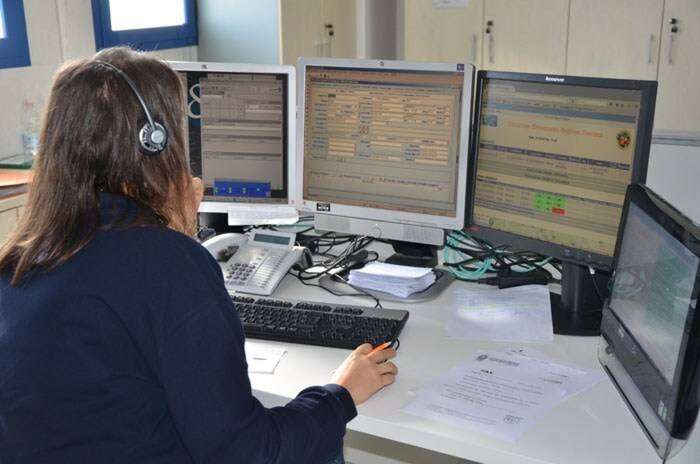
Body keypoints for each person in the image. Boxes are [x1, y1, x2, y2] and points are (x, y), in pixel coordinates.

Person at [0, 47, 398, 464]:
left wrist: (167, 230)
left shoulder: (22, 257)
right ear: (154, 142)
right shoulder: (167, 262)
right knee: (323, 444)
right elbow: (249, 452)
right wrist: (340, 394)